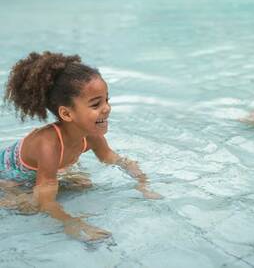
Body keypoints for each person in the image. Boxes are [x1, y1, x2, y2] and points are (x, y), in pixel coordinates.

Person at [0, 51, 161, 242]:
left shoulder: (91, 135)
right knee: (30, 206)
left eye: (106, 100)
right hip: (7, 178)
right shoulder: (48, 145)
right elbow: (45, 199)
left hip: (39, 174)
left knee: (84, 184)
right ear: (67, 114)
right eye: (96, 104)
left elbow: (114, 159)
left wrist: (142, 184)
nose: (107, 108)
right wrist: (74, 224)